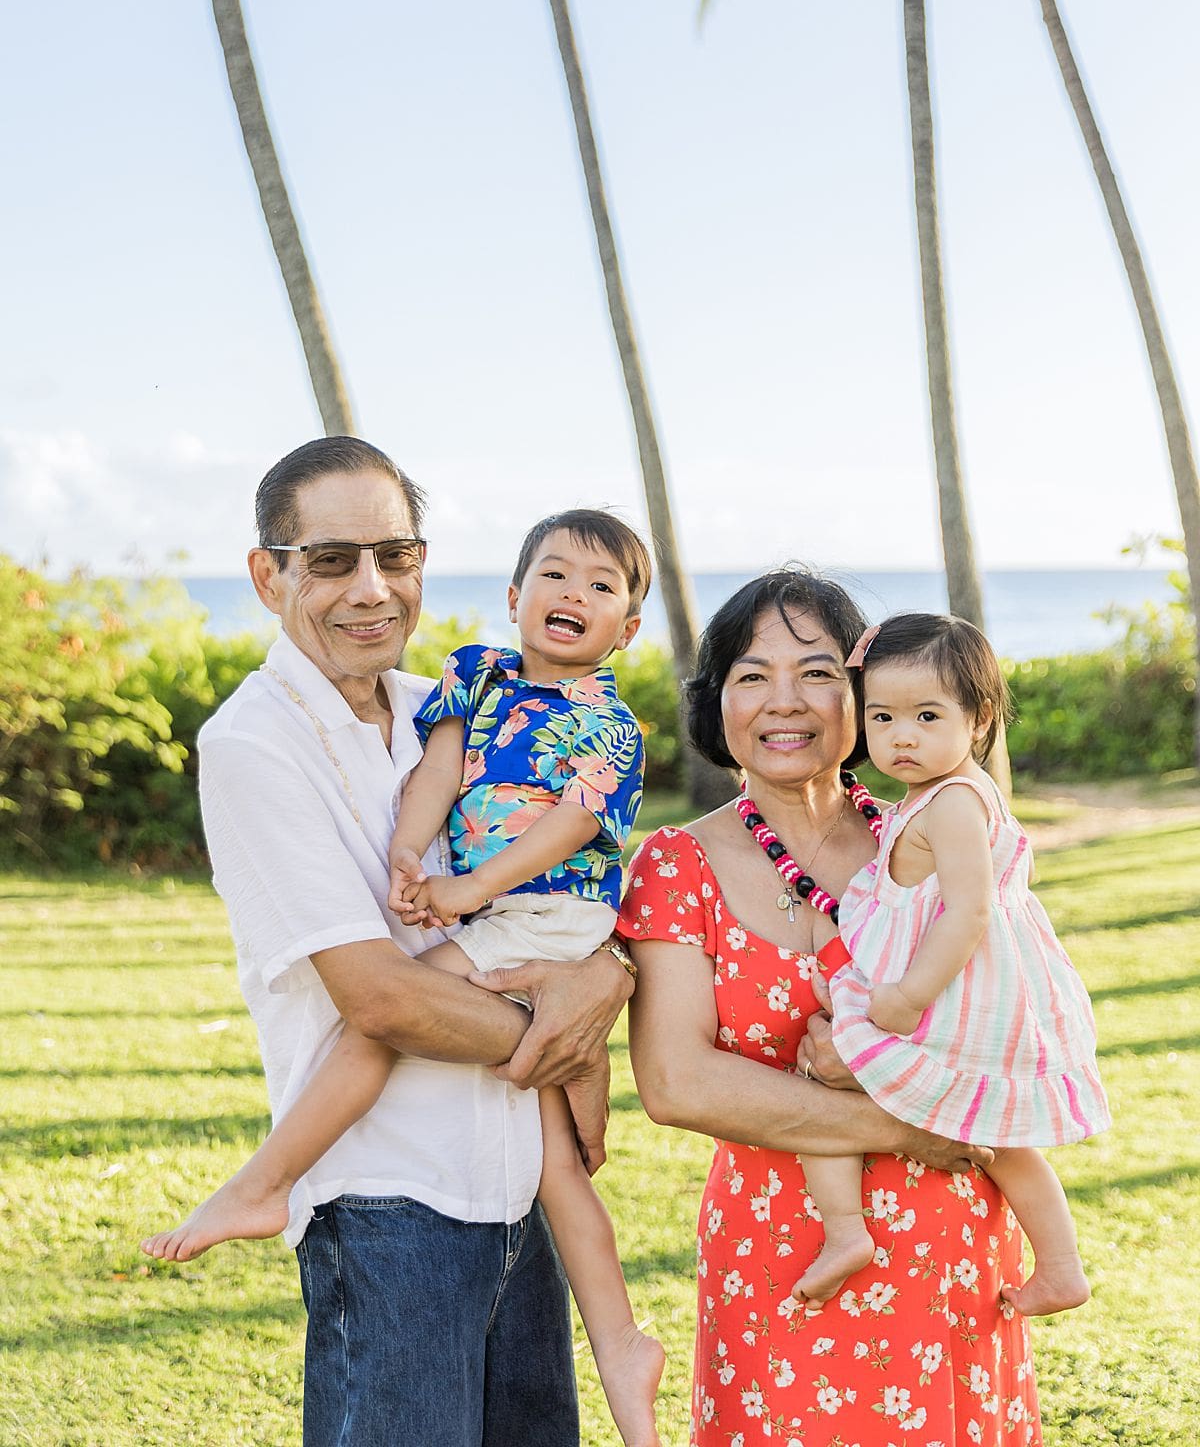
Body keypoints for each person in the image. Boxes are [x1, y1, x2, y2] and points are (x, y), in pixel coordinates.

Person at [139, 438, 635, 1447]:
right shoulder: (254, 742)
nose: (372, 590)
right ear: (267, 575)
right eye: (331, 561)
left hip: (514, 1192)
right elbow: (382, 999)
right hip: (390, 1210)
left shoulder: (446, 709)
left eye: (396, 556)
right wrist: (562, 1023)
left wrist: (606, 974)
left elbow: (563, 879)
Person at [618, 570, 1045, 1447]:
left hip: (946, 1247)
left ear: (862, 695)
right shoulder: (674, 865)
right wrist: (904, 1126)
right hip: (783, 1256)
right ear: (716, 701)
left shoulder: (922, 840)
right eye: (750, 675)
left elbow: (1012, 1014)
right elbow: (676, 1083)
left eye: (816, 672)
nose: (786, 702)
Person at [790, 611, 1110, 1314]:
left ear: (979, 717)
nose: (902, 736)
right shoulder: (925, 797)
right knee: (998, 1138)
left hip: (947, 998)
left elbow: (968, 912)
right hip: (937, 986)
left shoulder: (956, 803)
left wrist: (905, 996)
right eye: (883, 716)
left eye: (927, 715)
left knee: (823, 1077)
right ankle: (1057, 1265)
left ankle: (848, 1230)